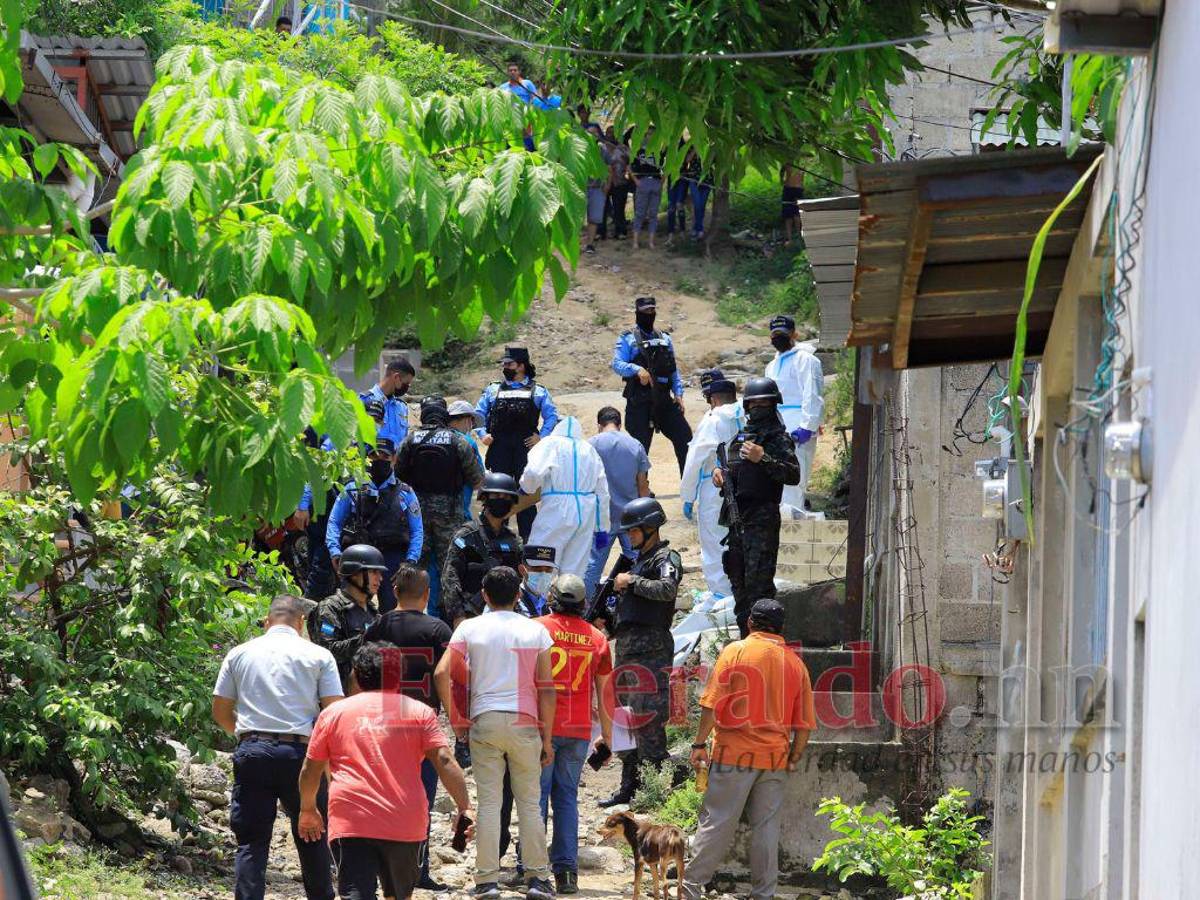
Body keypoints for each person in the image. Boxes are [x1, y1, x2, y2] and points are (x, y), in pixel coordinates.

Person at [298, 642, 474, 900]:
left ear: (355, 674)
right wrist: (464, 806)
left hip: (352, 820)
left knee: (355, 894)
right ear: (399, 677)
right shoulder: (419, 712)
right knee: (399, 895)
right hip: (405, 821)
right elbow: (445, 760)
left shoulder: (333, 714)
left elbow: (310, 768)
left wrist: (307, 809)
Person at [434, 567, 558, 900]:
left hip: (484, 720)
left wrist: (456, 717)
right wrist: (547, 740)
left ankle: (487, 881)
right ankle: (538, 879)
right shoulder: (535, 631)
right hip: (525, 722)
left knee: (490, 804)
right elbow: (546, 689)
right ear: (519, 595)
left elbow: (442, 672)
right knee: (530, 805)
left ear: (485, 596)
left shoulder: (469, 628)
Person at [211, 594, 342, 900]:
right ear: (302, 623)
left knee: (251, 843)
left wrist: (246, 736)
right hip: (302, 755)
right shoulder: (319, 656)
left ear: (267, 622)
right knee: (312, 834)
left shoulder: (239, 653)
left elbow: (220, 709)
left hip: (253, 751)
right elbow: (333, 713)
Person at [682, 599, 815, 900]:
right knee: (766, 828)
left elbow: (711, 704)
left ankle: (689, 888)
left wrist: (699, 743)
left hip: (734, 755)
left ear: (750, 623)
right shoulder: (796, 664)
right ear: (781, 629)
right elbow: (804, 724)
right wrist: (793, 756)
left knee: (717, 822)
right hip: (775, 759)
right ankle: (763, 895)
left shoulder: (736, 651)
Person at [362, 564, 454, 891]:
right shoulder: (439, 630)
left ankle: (374, 866)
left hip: (381, 721)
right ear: (427, 595)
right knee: (421, 800)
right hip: (422, 724)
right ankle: (419, 870)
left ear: (395, 593)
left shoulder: (377, 626)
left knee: (379, 792)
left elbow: (361, 670)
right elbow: (450, 676)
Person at [597, 498, 682, 808]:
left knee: (648, 723)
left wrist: (630, 582)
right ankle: (628, 788)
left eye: (634, 531)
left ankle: (657, 791)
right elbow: (627, 613)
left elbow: (667, 589)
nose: (630, 536)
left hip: (652, 650)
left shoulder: (665, 557)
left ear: (650, 529)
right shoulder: (636, 563)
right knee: (624, 722)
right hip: (628, 649)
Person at [536, 575, 614, 895]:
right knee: (566, 797)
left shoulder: (536, 628)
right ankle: (567, 874)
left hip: (542, 728)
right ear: (582, 604)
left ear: (553, 598)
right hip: (579, 731)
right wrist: (607, 737)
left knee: (536, 798)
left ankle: (533, 868)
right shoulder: (597, 639)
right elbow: (606, 694)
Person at [713, 377, 801, 637]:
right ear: (747, 406)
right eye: (755, 403)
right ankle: (745, 641)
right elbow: (734, 474)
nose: (759, 407)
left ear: (774, 405)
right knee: (739, 587)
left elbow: (792, 474)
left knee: (759, 588)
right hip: (738, 521)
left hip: (762, 522)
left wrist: (763, 458)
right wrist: (720, 474)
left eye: (765, 403)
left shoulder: (778, 439)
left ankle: (765, 643)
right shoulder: (739, 438)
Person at [396, 396, 485, 619]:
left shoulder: (410, 440)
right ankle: (450, 617)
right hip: (451, 516)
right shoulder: (458, 441)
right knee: (450, 567)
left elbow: (397, 477)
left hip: (417, 515)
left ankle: (408, 613)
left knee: (415, 565)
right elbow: (477, 479)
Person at [326, 438, 424, 614]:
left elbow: (417, 530)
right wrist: (335, 551)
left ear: (394, 458)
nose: (379, 459)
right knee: (351, 609)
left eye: (384, 455)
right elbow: (334, 522)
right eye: (373, 455)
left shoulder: (406, 493)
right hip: (358, 557)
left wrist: (410, 561)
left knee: (392, 613)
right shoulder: (351, 489)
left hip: (393, 560)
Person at [475, 347, 559, 539]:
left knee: (525, 494)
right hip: (499, 449)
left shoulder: (538, 391)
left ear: (521, 366)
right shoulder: (493, 389)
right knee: (497, 495)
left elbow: (552, 416)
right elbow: (478, 414)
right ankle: (493, 539)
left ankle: (527, 544)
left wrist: (542, 438)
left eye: (509, 364)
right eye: (504, 364)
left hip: (525, 449)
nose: (505, 367)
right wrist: (482, 434)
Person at [519, 416, 610, 581]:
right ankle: (569, 606)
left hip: (556, 512)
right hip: (585, 515)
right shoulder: (589, 450)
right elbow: (602, 493)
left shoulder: (549, 443)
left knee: (540, 565)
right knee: (573, 577)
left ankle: (535, 605)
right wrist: (601, 528)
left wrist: (526, 488)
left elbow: (532, 472)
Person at [611, 296, 693, 474]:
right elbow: (616, 364)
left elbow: (673, 369)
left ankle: (689, 488)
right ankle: (640, 492)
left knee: (685, 439)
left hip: (663, 399)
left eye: (652, 310)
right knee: (639, 451)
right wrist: (636, 369)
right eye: (645, 311)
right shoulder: (627, 338)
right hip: (640, 402)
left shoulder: (664, 338)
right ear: (637, 313)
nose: (649, 314)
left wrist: (678, 393)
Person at [680, 371, 743, 598]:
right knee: (739, 539)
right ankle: (739, 589)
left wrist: (687, 495)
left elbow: (695, 458)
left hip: (714, 487)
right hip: (744, 485)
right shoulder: (747, 414)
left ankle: (721, 594)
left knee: (715, 542)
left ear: (714, 399)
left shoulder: (713, 420)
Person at [440, 472, 525, 627]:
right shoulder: (466, 535)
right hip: (470, 618)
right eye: (496, 496)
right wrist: (458, 616)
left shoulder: (514, 541)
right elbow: (450, 578)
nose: (501, 501)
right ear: (485, 498)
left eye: (506, 498)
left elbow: (519, 581)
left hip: (506, 619)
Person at [583, 406, 650, 599]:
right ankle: (637, 601)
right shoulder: (634, 444)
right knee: (638, 560)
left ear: (599, 425)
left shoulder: (591, 445)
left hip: (601, 519)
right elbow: (642, 484)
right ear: (620, 424)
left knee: (594, 564)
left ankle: (587, 608)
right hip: (631, 518)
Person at [764, 315, 825, 516]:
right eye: (774, 334)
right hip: (776, 429)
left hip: (798, 430)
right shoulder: (771, 366)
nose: (777, 337)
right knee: (776, 480)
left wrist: (808, 426)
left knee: (795, 480)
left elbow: (812, 394)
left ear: (794, 335)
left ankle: (793, 527)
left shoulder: (806, 360)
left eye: (782, 334)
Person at [313, 544, 385, 691]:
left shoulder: (372, 611)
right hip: (340, 696)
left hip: (370, 695)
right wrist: (365, 638)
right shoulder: (330, 608)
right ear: (354, 574)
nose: (380, 578)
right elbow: (327, 651)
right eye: (373, 572)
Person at [359, 358, 416, 447]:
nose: (407, 387)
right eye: (406, 383)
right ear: (396, 377)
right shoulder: (362, 401)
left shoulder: (402, 407)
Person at [447, 399, 487, 518]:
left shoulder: (431, 438)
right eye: (472, 422)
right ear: (467, 419)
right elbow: (478, 481)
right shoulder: (468, 442)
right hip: (459, 511)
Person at [628, 142, 663, 250]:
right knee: (640, 213)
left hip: (655, 181)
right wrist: (636, 181)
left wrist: (662, 182)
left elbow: (665, 167)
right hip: (642, 181)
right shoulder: (637, 152)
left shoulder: (657, 151)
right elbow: (629, 167)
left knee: (653, 213)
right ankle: (635, 242)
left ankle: (651, 242)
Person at [582, 124, 611, 254]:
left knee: (594, 218)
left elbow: (609, 169)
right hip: (581, 188)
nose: (592, 136)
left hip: (597, 188)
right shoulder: (579, 149)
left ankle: (590, 244)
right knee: (576, 218)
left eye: (595, 133)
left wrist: (607, 185)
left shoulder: (603, 149)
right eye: (589, 133)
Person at [600, 127, 631, 241]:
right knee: (602, 208)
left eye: (613, 133)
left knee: (619, 208)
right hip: (604, 182)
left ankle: (620, 231)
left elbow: (631, 162)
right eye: (608, 133)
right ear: (605, 134)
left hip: (621, 182)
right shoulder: (601, 148)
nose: (611, 135)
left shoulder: (624, 149)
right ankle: (601, 232)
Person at [518, 545, 558, 618]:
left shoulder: (551, 605)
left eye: (548, 570)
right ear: (522, 570)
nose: (543, 574)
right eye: (537, 569)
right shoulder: (515, 602)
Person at [684, 148, 712, 240]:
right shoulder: (691, 146)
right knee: (697, 205)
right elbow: (687, 160)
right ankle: (700, 230)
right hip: (694, 180)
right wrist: (695, 149)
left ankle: (696, 229)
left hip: (707, 180)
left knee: (702, 206)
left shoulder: (710, 147)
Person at [780, 164, 804, 245]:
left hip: (795, 188)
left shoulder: (796, 162)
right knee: (789, 216)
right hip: (792, 188)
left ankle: (797, 236)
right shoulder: (788, 162)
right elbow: (782, 171)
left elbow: (802, 176)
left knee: (796, 215)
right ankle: (791, 238)